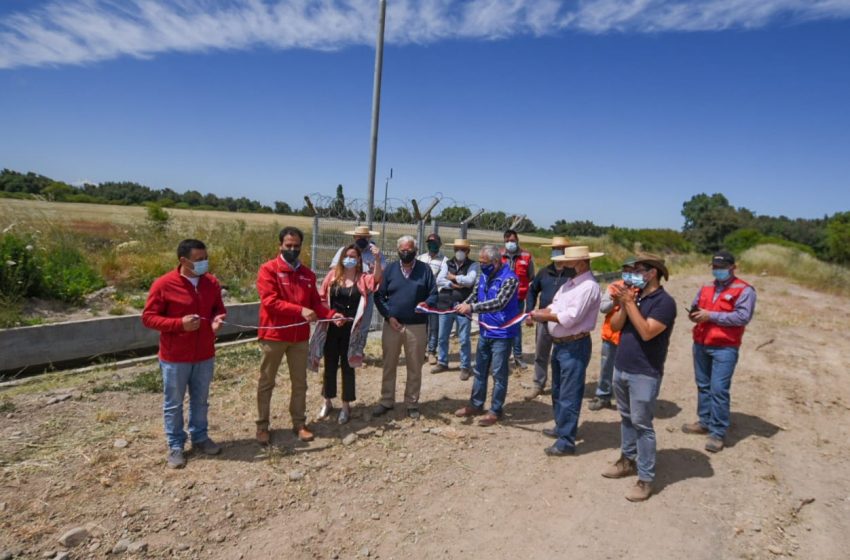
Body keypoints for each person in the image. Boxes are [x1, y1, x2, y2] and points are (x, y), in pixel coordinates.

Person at [142, 239, 227, 469]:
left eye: (205, 259)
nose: (203, 263)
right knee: (174, 403)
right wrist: (179, 324)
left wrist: (218, 320)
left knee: (200, 400)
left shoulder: (211, 283)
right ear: (183, 260)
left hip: (204, 354)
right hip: (175, 357)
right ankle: (176, 445)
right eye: (198, 260)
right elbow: (148, 317)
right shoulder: (164, 284)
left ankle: (200, 437)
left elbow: (218, 308)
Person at [255, 227, 342, 445]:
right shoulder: (269, 270)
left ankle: (299, 423)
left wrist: (331, 315)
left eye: (296, 246)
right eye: (288, 246)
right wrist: (299, 310)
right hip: (274, 335)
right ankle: (262, 426)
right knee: (267, 382)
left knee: (300, 383)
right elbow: (270, 301)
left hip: (299, 338)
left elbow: (314, 304)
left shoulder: (307, 275)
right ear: (280, 246)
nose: (292, 249)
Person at [602, 253, 677, 502]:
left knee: (642, 424)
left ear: (652, 272)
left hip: (645, 372)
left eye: (638, 270)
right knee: (625, 418)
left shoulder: (664, 302)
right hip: (622, 366)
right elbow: (614, 326)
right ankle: (627, 460)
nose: (632, 274)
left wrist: (630, 304)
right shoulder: (634, 295)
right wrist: (624, 304)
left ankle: (645, 478)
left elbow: (646, 332)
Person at [529, 246, 602, 456]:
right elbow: (554, 306)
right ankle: (562, 427)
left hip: (574, 345)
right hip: (561, 344)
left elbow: (570, 318)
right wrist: (538, 312)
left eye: (567, 263)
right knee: (559, 390)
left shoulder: (588, 287)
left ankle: (566, 442)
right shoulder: (569, 284)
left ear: (580, 263)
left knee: (570, 393)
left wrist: (544, 316)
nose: (563, 266)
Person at [682, 251, 756, 453]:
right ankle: (704, 421)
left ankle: (717, 432)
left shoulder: (745, 290)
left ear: (733, 267)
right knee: (703, 385)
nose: (718, 271)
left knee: (719, 389)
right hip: (701, 342)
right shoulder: (706, 287)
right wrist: (695, 315)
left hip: (725, 347)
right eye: (715, 267)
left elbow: (742, 317)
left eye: (722, 268)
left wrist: (711, 315)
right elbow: (697, 307)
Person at [308, 242, 383, 424]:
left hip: (352, 329)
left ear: (358, 261)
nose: (349, 259)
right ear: (342, 259)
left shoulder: (362, 278)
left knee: (348, 366)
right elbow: (321, 297)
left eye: (353, 257)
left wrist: (378, 260)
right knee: (330, 364)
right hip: (331, 327)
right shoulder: (333, 276)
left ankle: (346, 405)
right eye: (347, 256)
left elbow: (376, 281)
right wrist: (331, 315)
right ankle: (327, 400)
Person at [454, 245, 520, 427]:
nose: (482, 266)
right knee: (480, 370)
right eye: (480, 263)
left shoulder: (510, 279)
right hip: (485, 331)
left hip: (502, 333)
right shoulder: (483, 276)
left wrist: (472, 308)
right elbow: (475, 295)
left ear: (496, 262)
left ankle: (495, 410)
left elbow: (499, 303)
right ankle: (476, 404)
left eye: (485, 263)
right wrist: (463, 306)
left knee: (499, 373)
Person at [373, 235, 437, 420]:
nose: (406, 253)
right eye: (403, 250)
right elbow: (379, 296)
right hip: (392, 325)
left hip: (416, 327)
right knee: (389, 364)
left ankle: (412, 402)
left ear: (416, 251)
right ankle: (386, 400)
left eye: (409, 250)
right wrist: (388, 315)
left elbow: (433, 294)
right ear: (397, 250)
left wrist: (426, 304)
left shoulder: (425, 270)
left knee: (415, 366)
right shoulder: (390, 270)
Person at [524, 236, 574, 400]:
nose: (556, 251)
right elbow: (532, 291)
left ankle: (561, 386)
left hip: (563, 323)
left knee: (563, 356)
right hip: (544, 321)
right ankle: (538, 384)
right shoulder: (544, 272)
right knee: (541, 354)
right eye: (554, 248)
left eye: (560, 248)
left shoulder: (573, 274)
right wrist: (530, 312)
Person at [588, 257, 637, 411]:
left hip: (631, 337)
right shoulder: (614, 286)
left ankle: (629, 401)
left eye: (631, 271)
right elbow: (603, 308)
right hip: (611, 335)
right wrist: (615, 302)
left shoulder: (640, 289)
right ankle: (603, 396)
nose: (627, 273)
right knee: (606, 367)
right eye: (625, 270)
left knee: (630, 369)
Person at [431, 239, 479, 380]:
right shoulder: (447, 263)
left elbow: (471, 280)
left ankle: (465, 366)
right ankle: (442, 362)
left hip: (464, 305)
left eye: (463, 249)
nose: (460, 252)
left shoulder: (473, 265)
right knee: (442, 336)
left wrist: (453, 277)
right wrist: (456, 285)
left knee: (464, 338)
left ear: (468, 251)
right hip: (445, 303)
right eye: (457, 249)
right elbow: (439, 280)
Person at [501, 229, 534, 369]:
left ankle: (518, 357)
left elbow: (531, 277)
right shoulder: (499, 255)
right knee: (501, 327)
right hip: (501, 300)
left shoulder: (526, 257)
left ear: (517, 240)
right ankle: (503, 356)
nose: (510, 243)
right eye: (507, 241)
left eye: (512, 241)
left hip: (518, 299)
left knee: (516, 328)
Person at [418, 233, 447, 366]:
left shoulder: (444, 260)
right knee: (421, 325)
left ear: (439, 244)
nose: (432, 245)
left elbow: (441, 280)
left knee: (434, 326)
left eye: (434, 243)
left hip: (436, 296)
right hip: (421, 296)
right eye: (430, 243)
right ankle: (420, 351)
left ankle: (431, 352)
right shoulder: (421, 258)